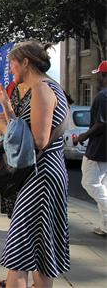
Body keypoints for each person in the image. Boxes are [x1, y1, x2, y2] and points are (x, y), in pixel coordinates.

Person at [0, 41, 70, 288]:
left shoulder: (42, 89)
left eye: (13, 61)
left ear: (26, 62)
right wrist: (5, 104)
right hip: (42, 174)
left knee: (19, 253)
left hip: (41, 177)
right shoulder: (39, 88)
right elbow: (25, 126)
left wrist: (4, 127)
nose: (10, 66)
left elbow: (39, 140)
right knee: (43, 250)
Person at [74, 60, 107, 236]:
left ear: (103, 75)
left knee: (90, 183)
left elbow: (100, 124)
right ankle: (105, 225)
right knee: (102, 185)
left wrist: (82, 136)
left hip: (98, 148)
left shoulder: (103, 96)